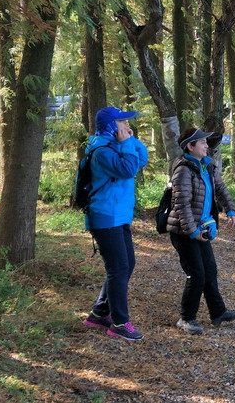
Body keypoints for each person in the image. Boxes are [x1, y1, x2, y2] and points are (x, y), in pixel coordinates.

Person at [81, 106, 149, 341]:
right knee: (118, 268)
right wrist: (126, 143)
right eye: (122, 122)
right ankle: (119, 322)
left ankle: (99, 313)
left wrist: (130, 139)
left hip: (119, 215)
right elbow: (128, 169)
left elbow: (141, 159)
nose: (127, 125)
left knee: (127, 264)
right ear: (111, 126)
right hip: (105, 217)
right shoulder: (102, 151)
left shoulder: (116, 145)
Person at [167, 126, 235, 335]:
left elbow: (220, 188)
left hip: (201, 228)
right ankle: (186, 318)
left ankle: (218, 313)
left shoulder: (206, 166)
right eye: (202, 142)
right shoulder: (183, 169)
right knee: (197, 274)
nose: (207, 145)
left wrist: (231, 209)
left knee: (210, 270)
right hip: (184, 232)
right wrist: (192, 232)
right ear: (190, 146)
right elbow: (182, 204)